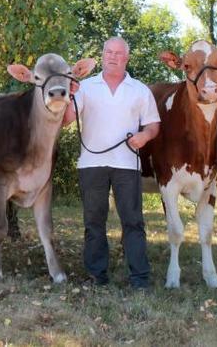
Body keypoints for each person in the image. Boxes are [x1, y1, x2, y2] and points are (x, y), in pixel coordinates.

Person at [63, 37, 160, 289]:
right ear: (103, 55)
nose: (113, 56)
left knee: (133, 222)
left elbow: (153, 125)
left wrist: (144, 135)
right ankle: (97, 276)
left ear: (126, 57)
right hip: (91, 164)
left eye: (118, 53)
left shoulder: (139, 89)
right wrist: (66, 96)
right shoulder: (84, 87)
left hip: (127, 164)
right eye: (108, 52)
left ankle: (139, 278)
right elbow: (65, 120)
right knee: (94, 221)